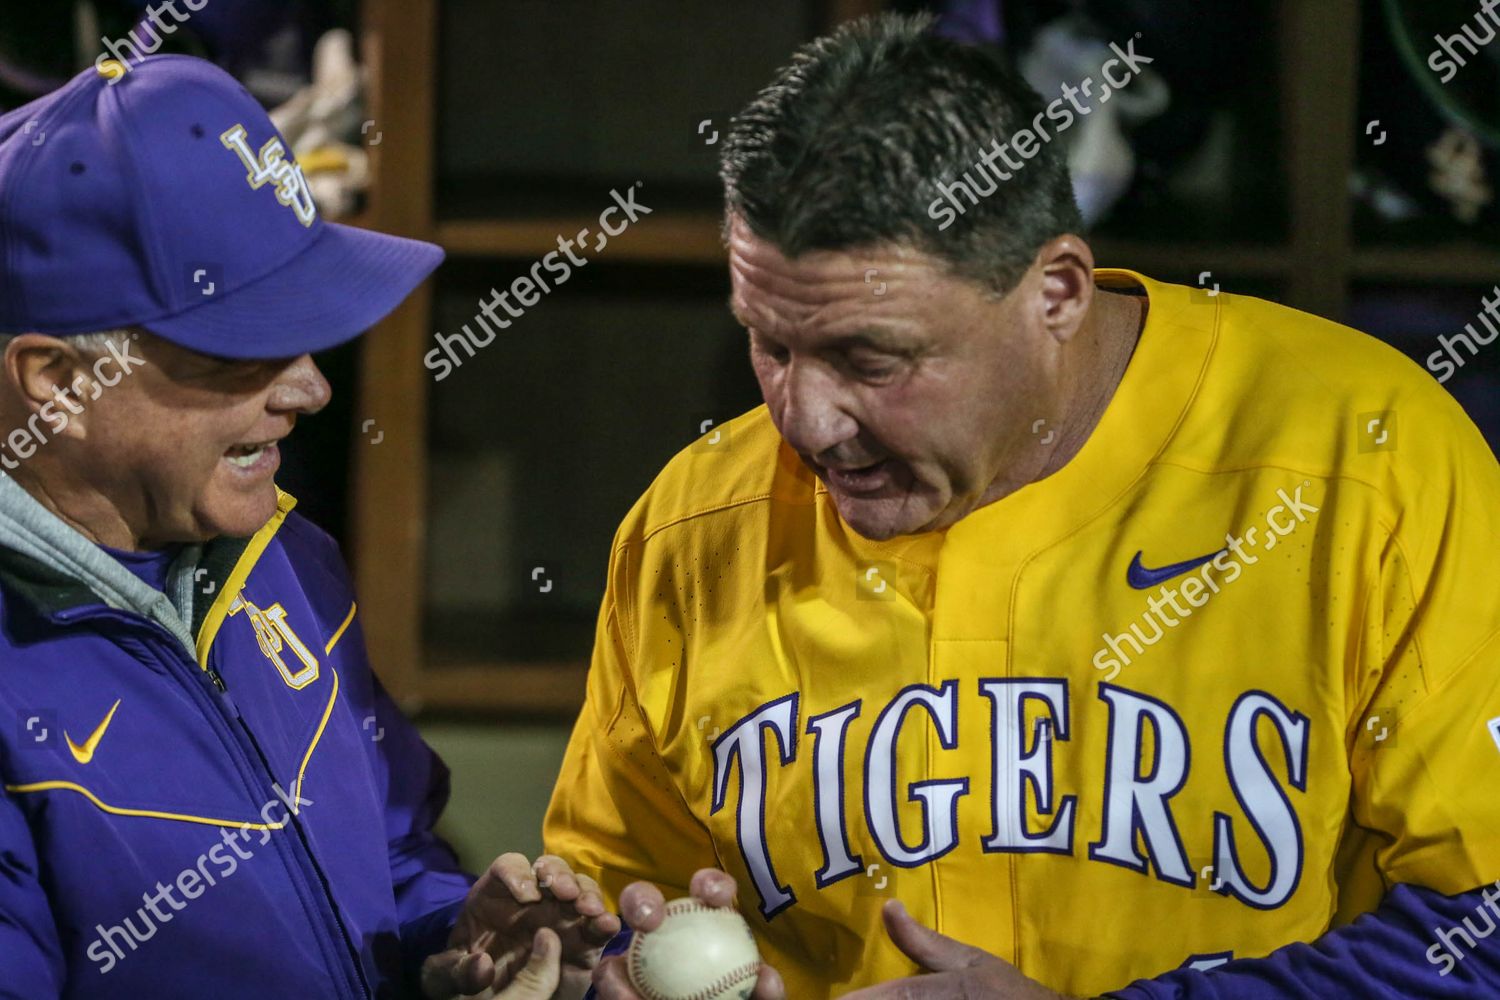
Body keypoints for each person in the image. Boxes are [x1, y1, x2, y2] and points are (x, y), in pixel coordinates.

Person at [542, 14, 1500, 999]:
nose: (807, 421)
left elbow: (1482, 932)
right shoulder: (693, 525)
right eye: (772, 346)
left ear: (1057, 292)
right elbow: (622, 904)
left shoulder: (1365, 460)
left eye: (871, 359)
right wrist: (602, 965)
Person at [0, 56, 615, 999]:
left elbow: (396, 862)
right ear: (58, 382)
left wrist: (455, 948)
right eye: (242, 346)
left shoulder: (284, 555)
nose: (311, 390)